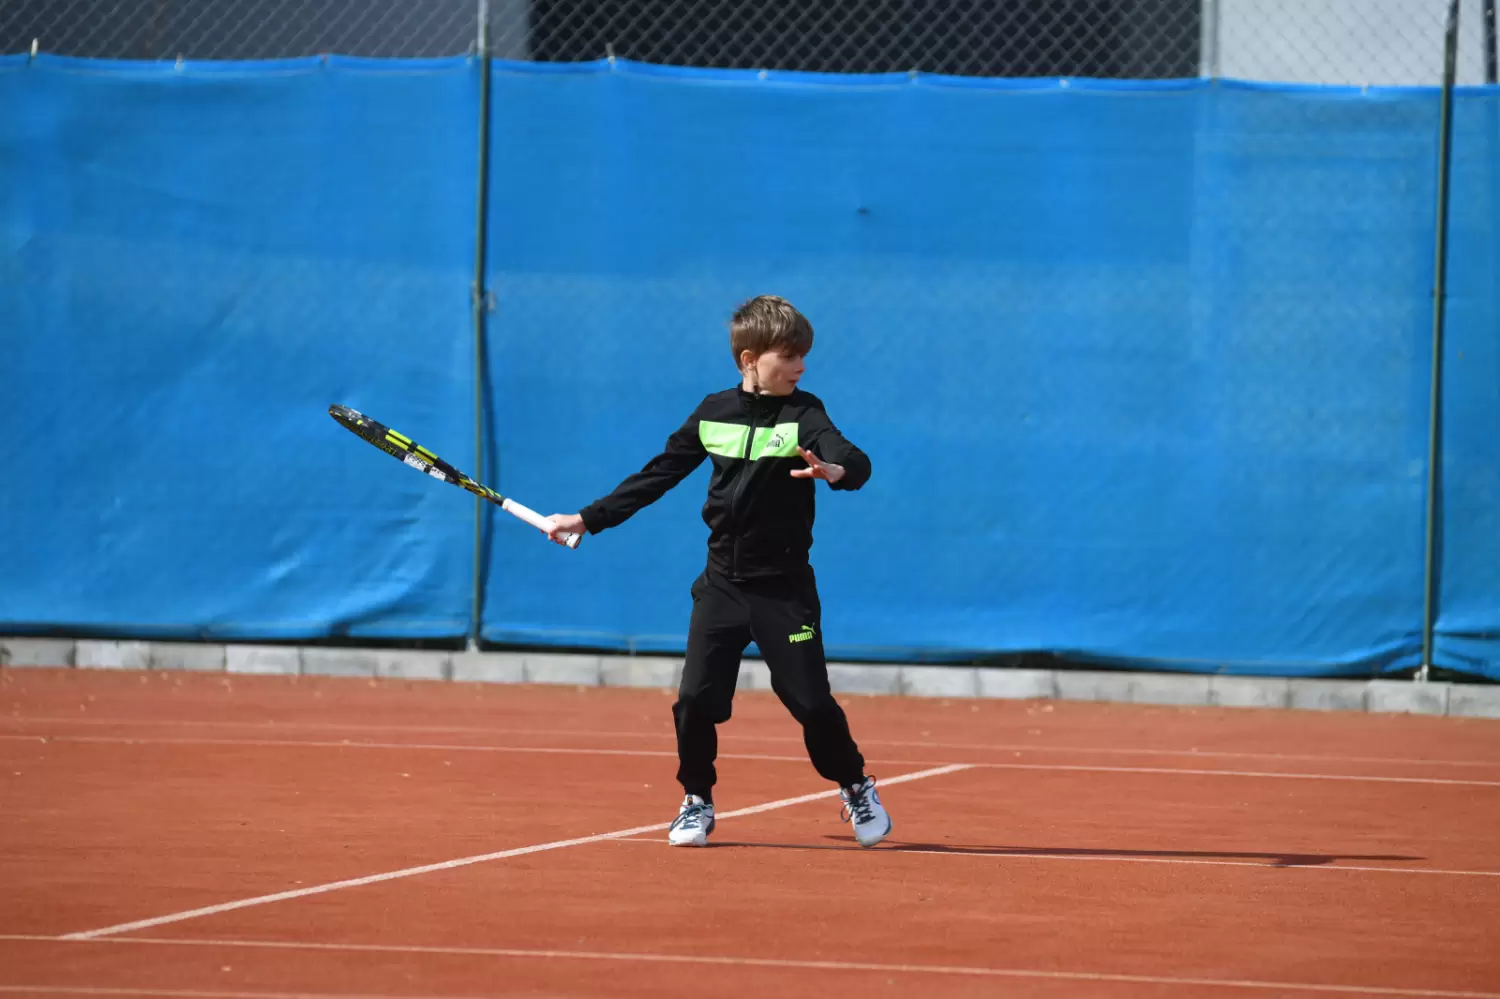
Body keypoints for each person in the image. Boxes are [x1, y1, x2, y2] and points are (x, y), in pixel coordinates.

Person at [545, 294, 891, 848]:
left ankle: (854, 785)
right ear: (749, 359)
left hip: (784, 590)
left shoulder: (805, 414)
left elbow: (854, 459)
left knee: (810, 702)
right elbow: (658, 474)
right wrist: (587, 518)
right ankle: (696, 800)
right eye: (788, 356)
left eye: (803, 356)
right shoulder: (713, 413)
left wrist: (837, 471)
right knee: (695, 701)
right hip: (721, 586)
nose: (801, 366)